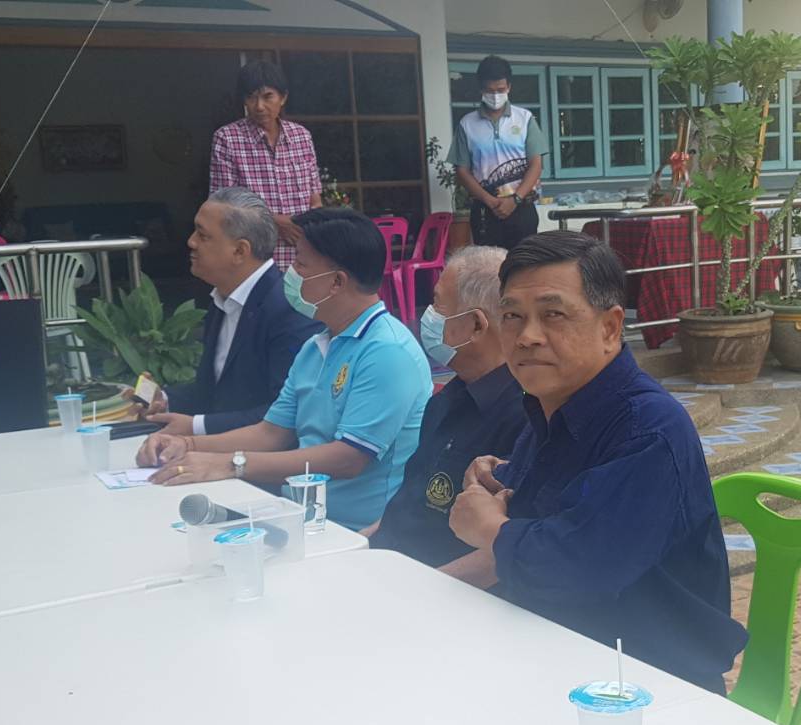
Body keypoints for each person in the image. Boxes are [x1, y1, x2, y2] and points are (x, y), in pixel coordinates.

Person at [445, 231, 744, 692]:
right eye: (513, 316)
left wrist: (488, 527)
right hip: (552, 652)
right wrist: (496, 486)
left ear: (609, 327)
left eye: (553, 314)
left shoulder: (649, 431)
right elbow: (532, 530)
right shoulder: (550, 408)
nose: (527, 337)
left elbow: (577, 569)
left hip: (645, 686)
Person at [137, 208, 429, 531]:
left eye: (300, 264)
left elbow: (348, 458)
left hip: (354, 530)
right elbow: (271, 433)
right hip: (298, 514)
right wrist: (186, 444)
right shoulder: (316, 346)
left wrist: (230, 464)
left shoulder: (387, 352)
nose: (290, 274)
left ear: (336, 282)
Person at [366, 246, 523, 567]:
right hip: (388, 564)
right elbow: (405, 508)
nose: (427, 316)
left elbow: (501, 555)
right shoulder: (449, 397)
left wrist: (412, 589)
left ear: (477, 325)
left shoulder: (523, 417)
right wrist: (354, 548)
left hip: (437, 585)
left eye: (437, 304)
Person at [141, 188, 321, 436]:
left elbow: (287, 415)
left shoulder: (289, 309)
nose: (191, 242)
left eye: (203, 235)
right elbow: (217, 391)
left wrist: (196, 428)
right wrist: (163, 399)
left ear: (239, 251)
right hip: (223, 450)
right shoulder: (223, 299)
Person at [210, 59, 322, 269]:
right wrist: (276, 222)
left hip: (302, 256)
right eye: (251, 97)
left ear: (283, 97)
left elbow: (315, 199)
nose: (259, 106)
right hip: (254, 258)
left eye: (267, 96)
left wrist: (311, 225)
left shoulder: (302, 137)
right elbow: (222, 205)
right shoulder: (227, 139)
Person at [449, 55, 545, 251]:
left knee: (525, 263)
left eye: (500, 90)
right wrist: (490, 201)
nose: (495, 95)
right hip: (485, 211)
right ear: (481, 89)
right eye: (490, 90)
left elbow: (536, 164)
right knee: (488, 266)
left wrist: (515, 199)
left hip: (522, 206)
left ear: (509, 87)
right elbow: (462, 170)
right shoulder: (467, 124)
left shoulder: (525, 119)